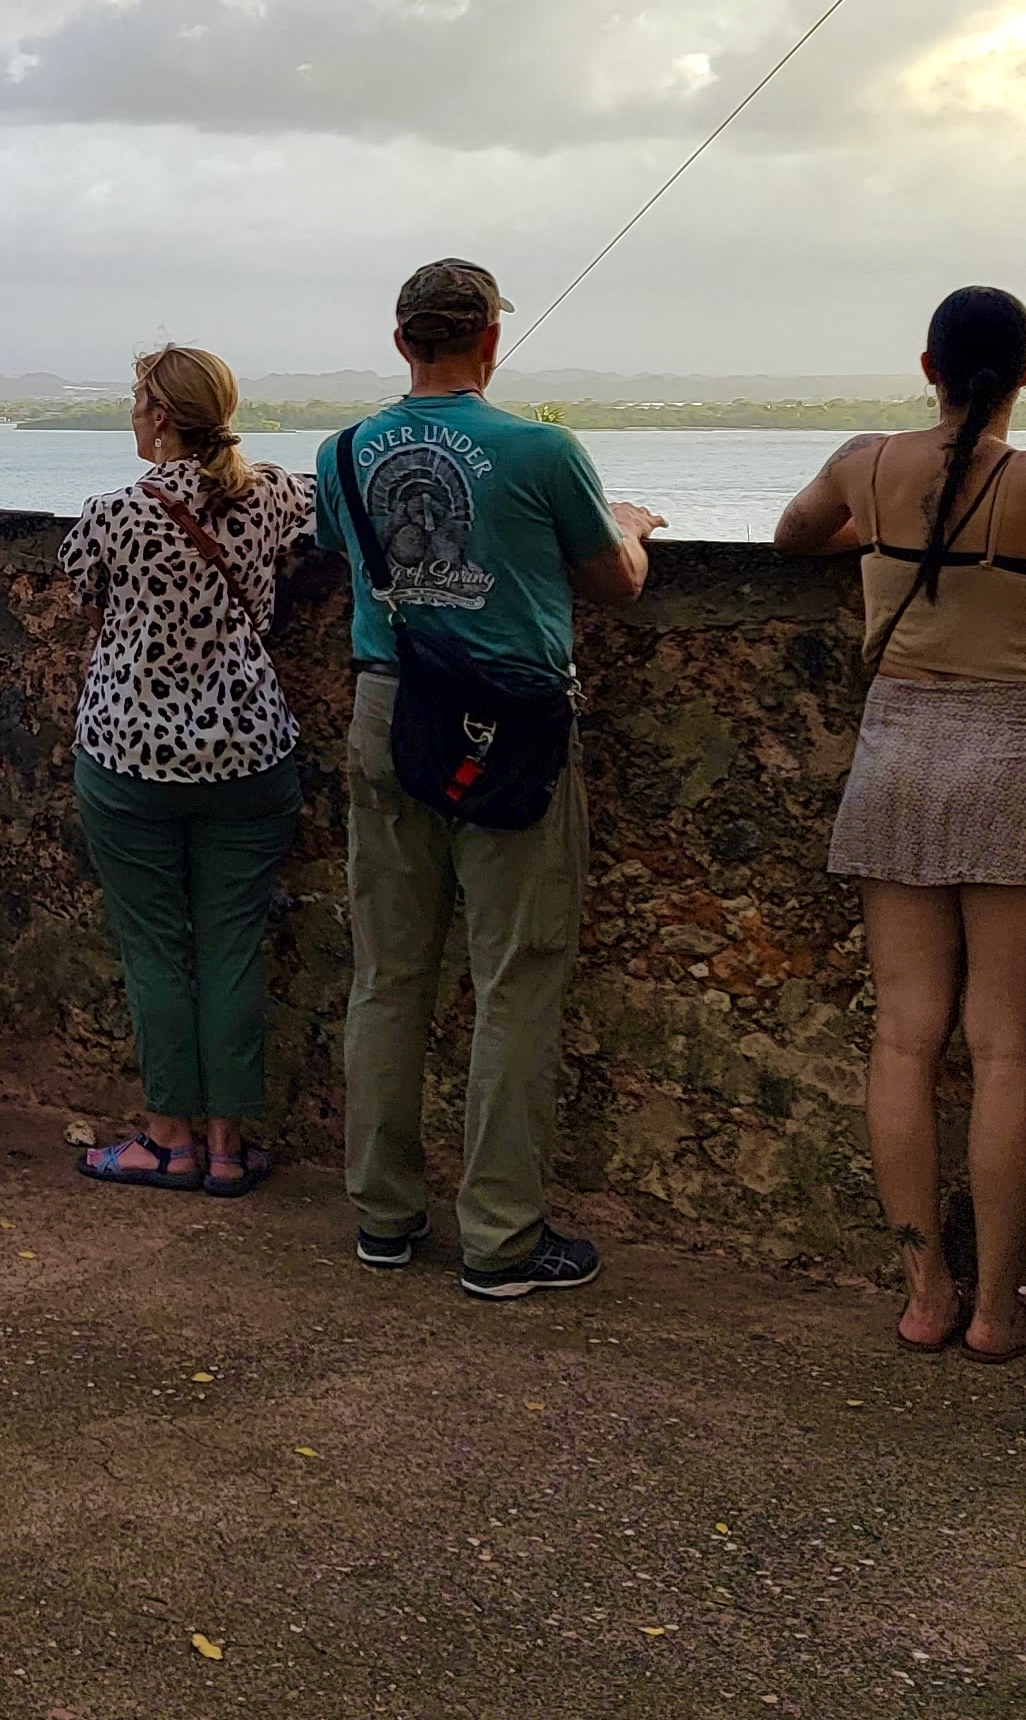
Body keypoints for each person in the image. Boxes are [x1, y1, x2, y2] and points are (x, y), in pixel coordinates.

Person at [771, 287, 1026, 1360]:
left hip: (898, 752)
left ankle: (923, 1295)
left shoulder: (865, 463)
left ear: (927, 367)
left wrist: (891, 541)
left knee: (903, 1037)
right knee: (1007, 1048)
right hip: (1017, 757)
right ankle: (996, 1310)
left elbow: (793, 536)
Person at [314, 261, 660, 1297]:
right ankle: (500, 1237)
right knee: (516, 976)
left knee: (388, 973)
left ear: (400, 342)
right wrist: (631, 527)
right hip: (510, 725)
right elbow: (614, 584)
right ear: (490, 342)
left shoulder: (343, 452)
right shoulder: (544, 450)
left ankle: (382, 1214)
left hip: (387, 707)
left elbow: (341, 553)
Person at [61, 345, 313, 1197]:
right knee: (232, 948)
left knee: (156, 951)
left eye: (138, 402)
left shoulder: (114, 514)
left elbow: (77, 580)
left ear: (162, 417)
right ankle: (230, 1147)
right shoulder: (271, 494)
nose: (133, 415)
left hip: (130, 757)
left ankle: (168, 1139)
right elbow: (339, 507)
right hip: (249, 752)